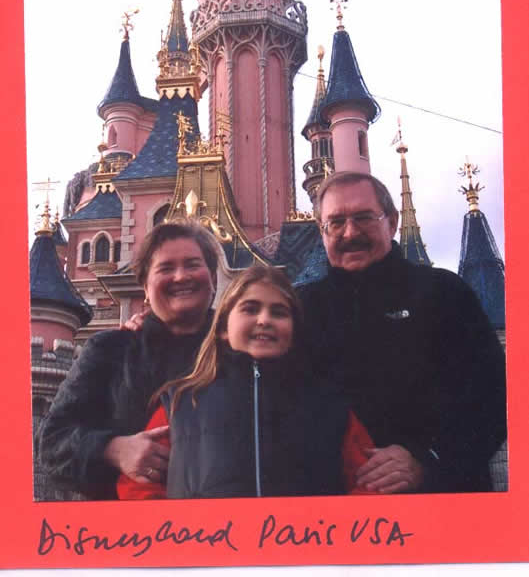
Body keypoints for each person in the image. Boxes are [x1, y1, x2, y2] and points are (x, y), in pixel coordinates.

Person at [297, 171, 507, 494]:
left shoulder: (444, 293)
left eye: (364, 217)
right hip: (338, 518)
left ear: (392, 222)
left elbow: (493, 398)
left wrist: (429, 461)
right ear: (321, 232)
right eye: (335, 223)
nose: (350, 232)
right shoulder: (301, 310)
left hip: (441, 508)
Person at [116, 265, 376, 500]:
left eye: (279, 312)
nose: (264, 320)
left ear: (294, 330)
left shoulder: (329, 406)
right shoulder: (181, 403)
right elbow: (137, 487)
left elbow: (372, 482)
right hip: (206, 549)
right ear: (223, 329)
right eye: (250, 309)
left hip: (307, 548)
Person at [37, 221, 219, 499]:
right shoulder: (111, 350)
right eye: (166, 268)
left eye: (193, 264)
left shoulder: (239, 350)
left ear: (213, 279)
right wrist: (112, 449)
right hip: (128, 532)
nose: (181, 276)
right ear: (145, 287)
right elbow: (51, 443)